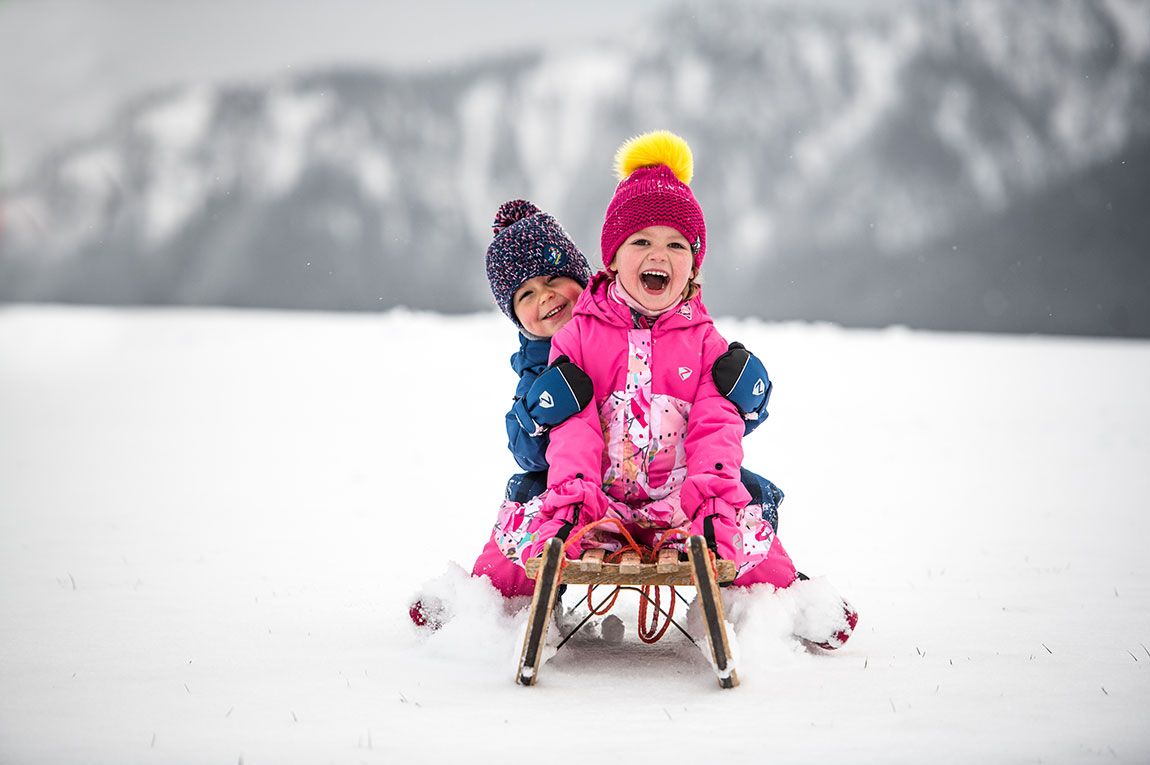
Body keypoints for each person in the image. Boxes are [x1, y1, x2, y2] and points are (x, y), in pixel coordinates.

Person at [490, 131, 857, 648]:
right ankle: (482, 601)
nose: (657, 254)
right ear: (612, 259)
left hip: (679, 503)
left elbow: (717, 432)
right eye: (640, 241)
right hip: (601, 505)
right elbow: (569, 434)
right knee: (522, 527)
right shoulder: (577, 336)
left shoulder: (706, 343)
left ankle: (791, 604)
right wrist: (574, 505)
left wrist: (709, 508)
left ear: (693, 268)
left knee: (747, 532)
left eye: (675, 244)